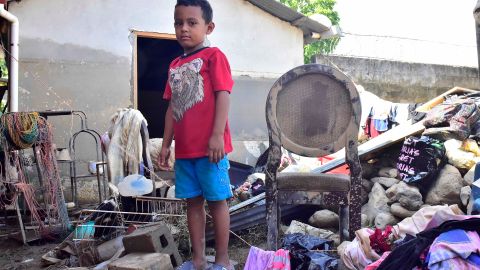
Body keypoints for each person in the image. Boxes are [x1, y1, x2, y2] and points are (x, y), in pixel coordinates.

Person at [158, 0, 234, 269]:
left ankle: (222, 258)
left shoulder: (215, 57)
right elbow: (171, 108)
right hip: (186, 151)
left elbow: (223, 95)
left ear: (208, 27)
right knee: (193, 203)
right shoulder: (174, 65)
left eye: (192, 23)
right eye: (179, 23)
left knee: (217, 201)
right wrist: (166, 145)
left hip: (211, 149)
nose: (184, 28)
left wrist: (216, 136)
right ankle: (199, 259)